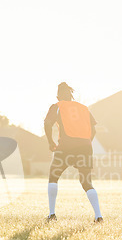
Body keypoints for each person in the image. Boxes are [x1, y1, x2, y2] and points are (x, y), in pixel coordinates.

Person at [44, 82, 103, 223]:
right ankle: (98, 216)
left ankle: (52, 215)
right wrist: (86, 142)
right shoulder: (84, 108)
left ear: (58, 96)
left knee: (53, 177)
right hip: (85, 147)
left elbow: (47, 123)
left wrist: (51, 142)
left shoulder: (57, 106)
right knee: (86, 182)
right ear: (71, 95)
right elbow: (94, 129)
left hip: (66, 146)